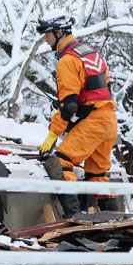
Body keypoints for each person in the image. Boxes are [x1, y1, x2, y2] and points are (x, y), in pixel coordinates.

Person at [37, 13, 118, 217]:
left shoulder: (67, 60)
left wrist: (52, 136)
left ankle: (73, 216)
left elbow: (68, 107)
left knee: (61, 162)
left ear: (58, 33)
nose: (45, 39)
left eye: (47, 34)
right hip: (108, 119)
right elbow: (100, 89)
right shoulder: (91, 53)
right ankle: (113, 220)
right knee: (97, 174)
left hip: (94, 122)